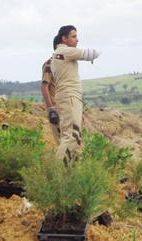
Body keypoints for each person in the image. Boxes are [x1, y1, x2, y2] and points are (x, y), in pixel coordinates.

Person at [51, 25, 101, 164]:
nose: (77, 40)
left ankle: (70, 170)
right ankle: (56, 171)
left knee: (72, 135)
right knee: (71, 135)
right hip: (70, 96)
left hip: (66, 97)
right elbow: (92, 53)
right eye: (74, 36)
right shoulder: (65, 51)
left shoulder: (57, 53)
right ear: (64, 38)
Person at [41, 39, 61, 146]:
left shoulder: (64, 64)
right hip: (56, 108)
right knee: (62, 142)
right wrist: (51, 109)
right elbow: (44, 86)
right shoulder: (50, 63)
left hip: (66, 106)